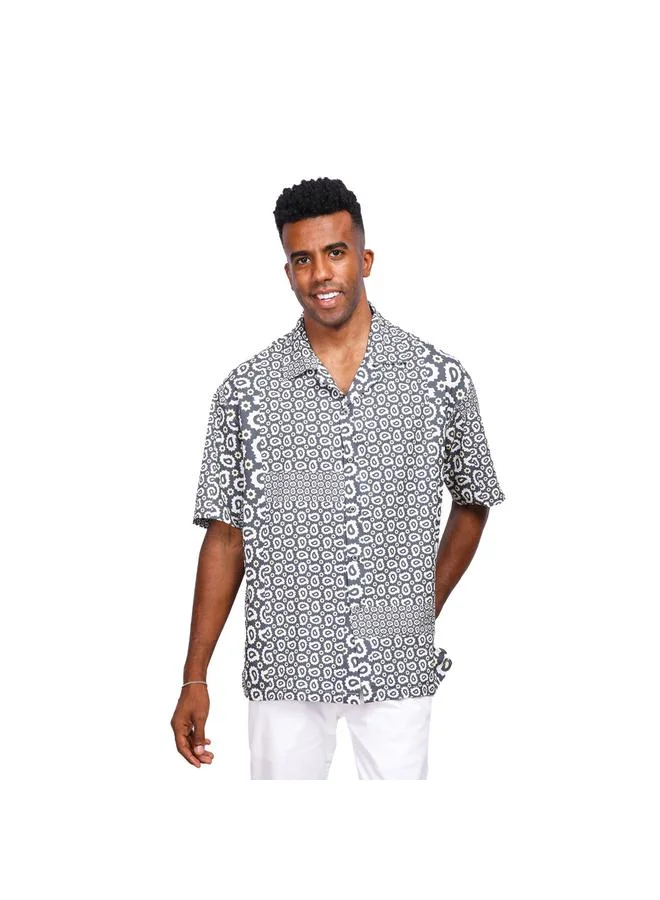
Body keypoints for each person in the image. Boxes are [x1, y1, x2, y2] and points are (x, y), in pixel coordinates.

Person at [170, 176, 506, 780]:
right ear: (288, 272)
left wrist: (420, 606)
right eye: (303, 259)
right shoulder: (246, 392)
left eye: (335, 252)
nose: (321, 273)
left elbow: (474, 497)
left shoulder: (437, 379)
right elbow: (225, 537)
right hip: (286, 662)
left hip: (397, 660)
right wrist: (195, 675)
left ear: (365, 259)